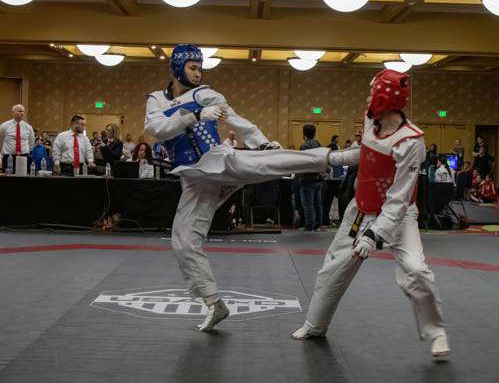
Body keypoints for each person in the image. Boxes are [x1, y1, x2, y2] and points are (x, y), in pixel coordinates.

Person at [144, 44, 333, 333]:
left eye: (200, 67)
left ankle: (333, 156)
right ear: (177, 68)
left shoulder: (207, 93)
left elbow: (236, 120)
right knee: (183, 241)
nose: (198, 73)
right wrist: (194, 115)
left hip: (219, 161)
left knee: (268, 163)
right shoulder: (156, 99)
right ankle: (213, 303)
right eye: (192, 67)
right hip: (195, 177)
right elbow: (157, 129)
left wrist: (262, 142)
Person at [291, 69, 450, 362]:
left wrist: (374, 235)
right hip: (360, 209)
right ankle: (315, 325)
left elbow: (400, 197)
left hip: (399, 216)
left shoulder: (410, 141)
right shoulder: (370, 119)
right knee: (333, 268)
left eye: (371, 92)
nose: (367, 98)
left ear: (384, 98)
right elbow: (366, 154)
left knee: (416, 270)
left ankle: (436, 331)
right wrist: (335, 157)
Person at [299, 124, 324, 232]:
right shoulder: (318, 144)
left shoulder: (304, 146)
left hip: (307, 179)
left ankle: (309, 226)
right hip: (318, 179)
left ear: (304, 133)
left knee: (308, 205)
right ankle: (318, 225)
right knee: (318, 204)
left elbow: (304, 163)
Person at [0, 104, 35, 174]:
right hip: (9, 157)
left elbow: (31, 141)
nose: (22, 113)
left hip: (24, 157)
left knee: (23, 178)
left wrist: (27, 151)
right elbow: (1, 140)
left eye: (23, 112)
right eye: (20, 111)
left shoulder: (28, 127)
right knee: (7, 180)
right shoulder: (4, 126)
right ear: (13, 112)